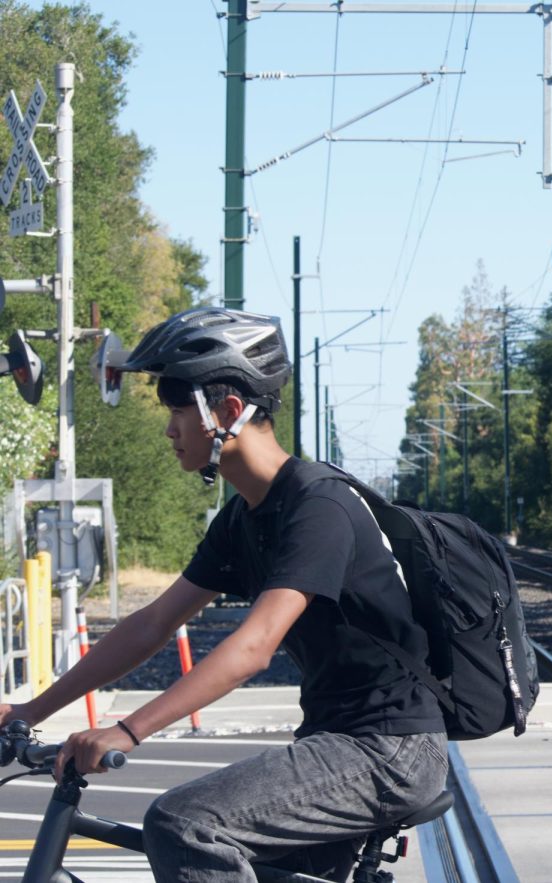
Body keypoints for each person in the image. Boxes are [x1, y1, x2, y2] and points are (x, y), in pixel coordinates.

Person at [0, 307, 447, 882]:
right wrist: (30, 710)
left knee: (186, 824)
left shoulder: (319, 508)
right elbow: (152, 624)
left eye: (178, 410)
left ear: (228, 411)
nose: (169, 430)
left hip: (389, 750)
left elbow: (254, 646)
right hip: (335, 740)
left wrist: (129, 729)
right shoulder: (245, 518)